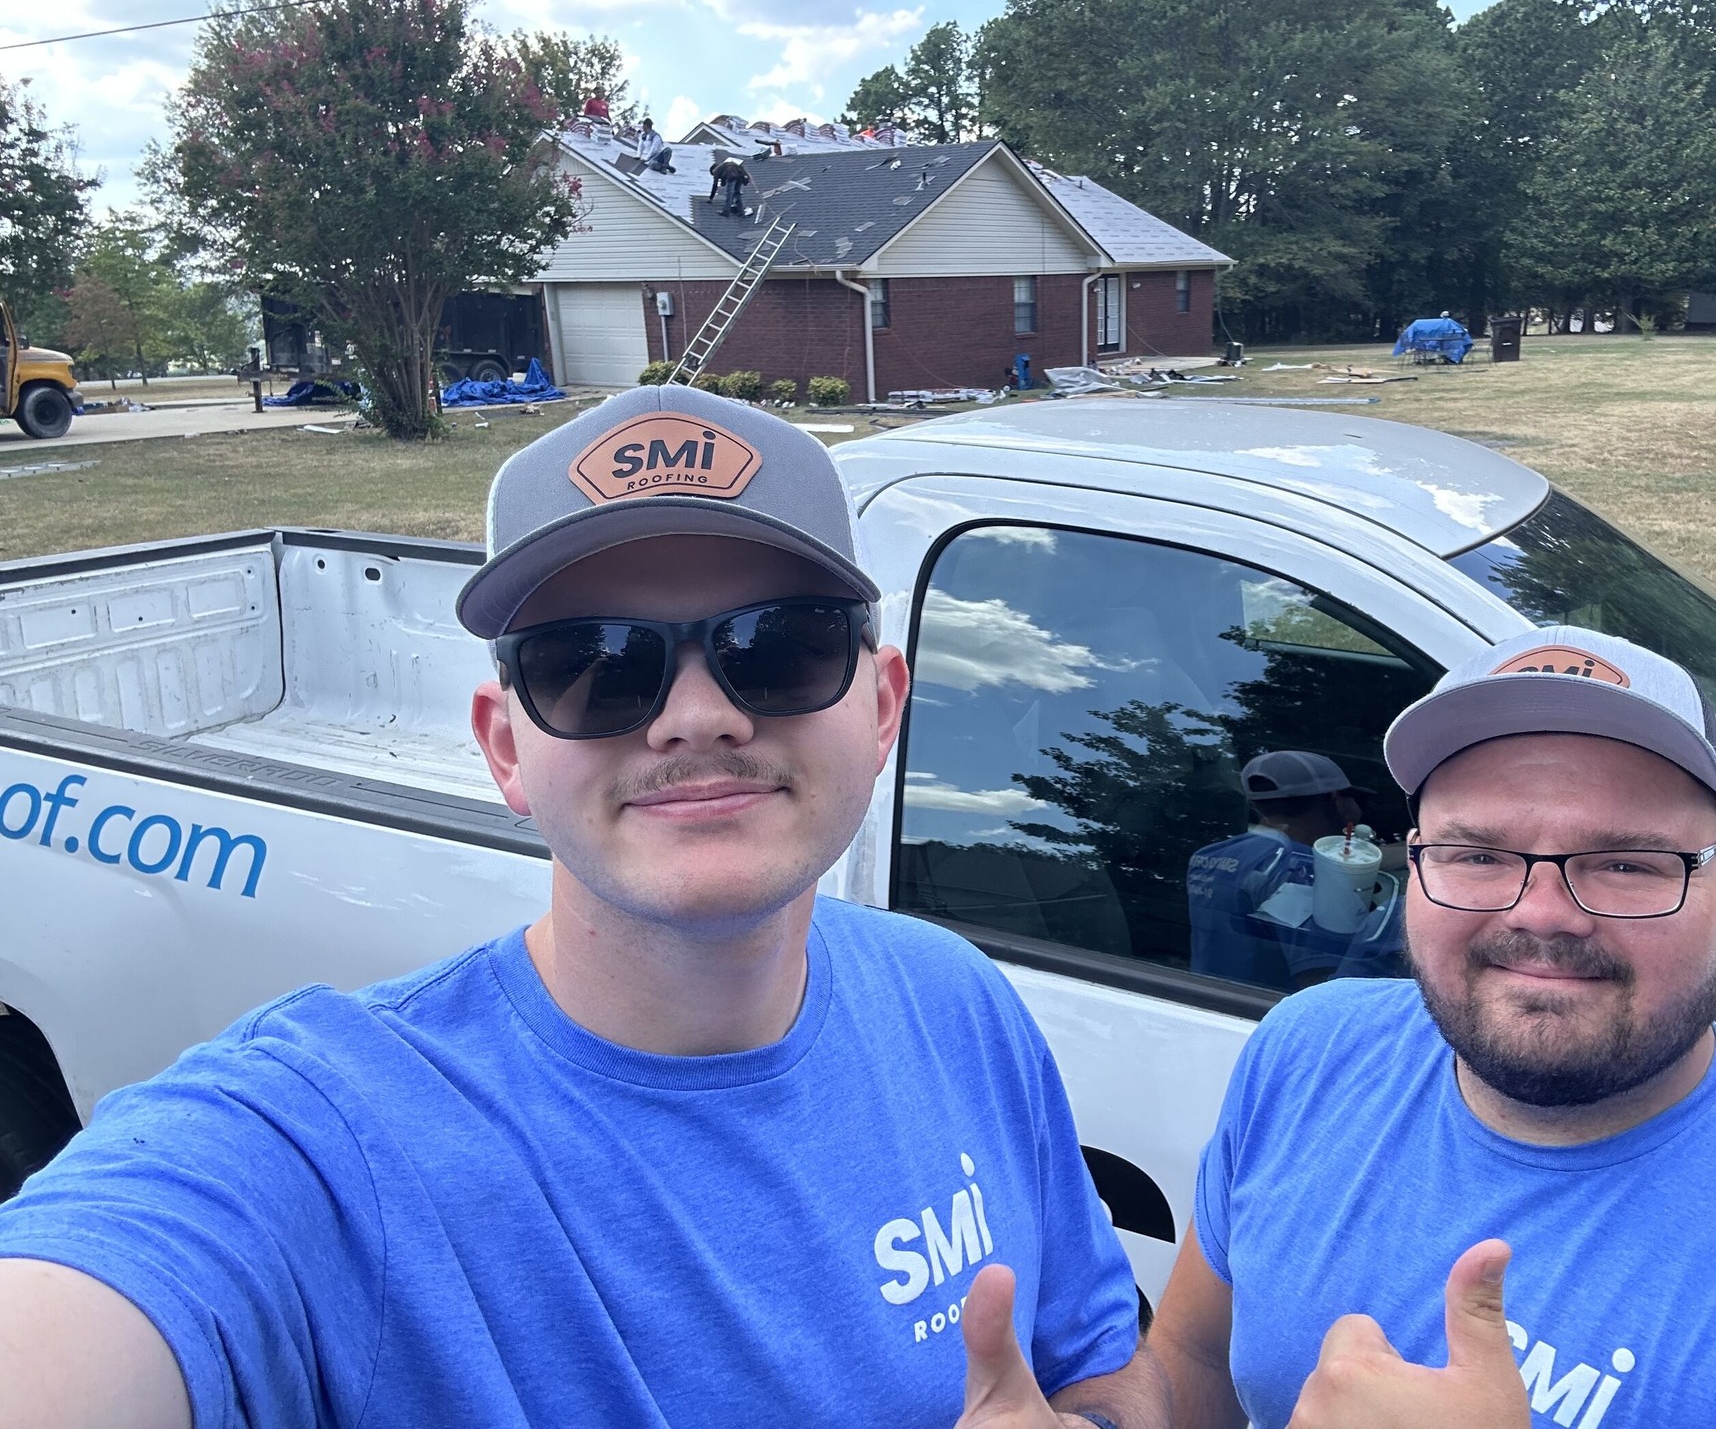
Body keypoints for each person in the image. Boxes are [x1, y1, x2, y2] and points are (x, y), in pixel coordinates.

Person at [0, 385, 1165, 1429]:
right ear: (506, 750)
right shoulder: (324, 1137)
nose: (695, 715)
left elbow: (1109, 1370)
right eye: (595, 663)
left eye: (779, 645)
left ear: (881, 704)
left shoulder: (952, 999)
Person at [1148, 626, 1716, 1428]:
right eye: (1479, 854)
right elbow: (1188, 1363)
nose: (1542, 915)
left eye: (1625, 862)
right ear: (1414, 870)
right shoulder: (1309, 1054)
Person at [1186, 752, 1401, 991]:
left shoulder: (1209, 856)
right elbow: (1320, 984)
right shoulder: (1303, 871)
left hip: (1205, 998)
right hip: (1266, 1009)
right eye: (1354, 798)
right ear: (1335, 799)